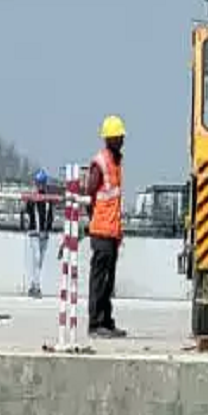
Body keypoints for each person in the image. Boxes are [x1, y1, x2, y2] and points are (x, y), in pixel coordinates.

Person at [87, 115, 126, 339]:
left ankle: (107, 320)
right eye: (118, 137)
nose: (121, 140)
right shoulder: (101, 162)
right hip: (101, 231)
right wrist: (94, 219)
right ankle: (95, 323)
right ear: (109, 138)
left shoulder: (116, 162)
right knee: (99, 280)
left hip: (112, 232)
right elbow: (90, 192)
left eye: (122, 136)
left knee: (108, 281)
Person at [22, 169, 54, 298]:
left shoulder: (47, 199)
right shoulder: (32, 198)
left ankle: (35, 285)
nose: (40, 185)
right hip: (35, 233)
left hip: (44, 234)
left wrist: (47, 230)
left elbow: (49, 216)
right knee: (36, 258)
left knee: (40, 261)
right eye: (38, 182)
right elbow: (27, 213)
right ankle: (36, 287)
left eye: (42, 182)